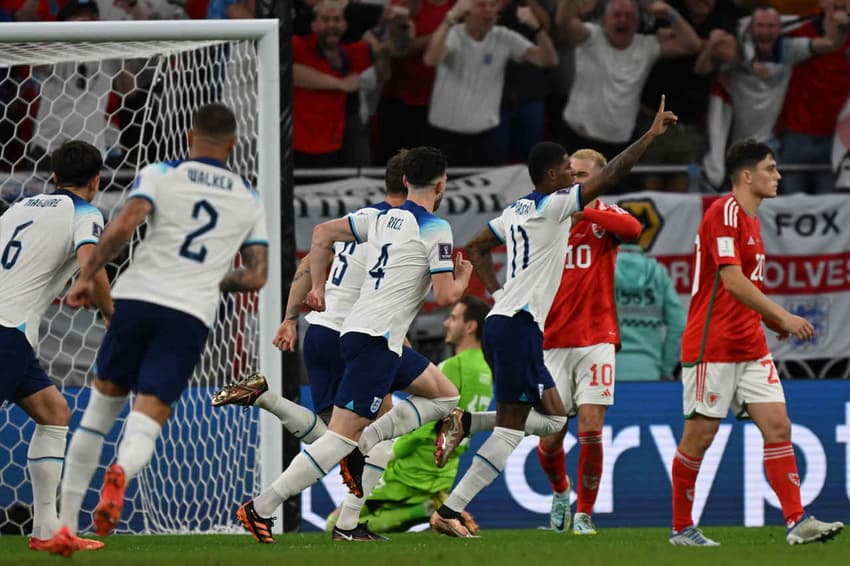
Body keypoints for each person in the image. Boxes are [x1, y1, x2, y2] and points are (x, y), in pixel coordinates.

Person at [429, 96, 678, 538]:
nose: (573, 176)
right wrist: (651, 136)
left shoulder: (520, 208)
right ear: (552, 176)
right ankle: (450, 511)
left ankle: (468, 422)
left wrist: (500, 293)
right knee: (511, 433)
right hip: (525, 328)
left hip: (518, 324)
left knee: (553, 421)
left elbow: (476, 245)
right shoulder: (554, 204)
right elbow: (616, 170)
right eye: (567, 169)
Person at [53, 103, 269, 553]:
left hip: (135, 298)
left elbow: (124, 225)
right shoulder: (249, 197)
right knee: (146, 419)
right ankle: (123, 473)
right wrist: (215, 278)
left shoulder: (161, 171)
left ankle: (66, 529)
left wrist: (88, 275)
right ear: (232, 144)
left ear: (191, 136)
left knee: (97, 415)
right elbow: (256, 276)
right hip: (188, 312)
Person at [235, 146, 472, 544]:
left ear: (404, 182)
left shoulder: (377, 217)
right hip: (374, 342)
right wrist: (462, 276)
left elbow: (321, 234)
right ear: (442, 184)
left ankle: (371, 440)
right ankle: (261, 508)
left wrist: (317, 289)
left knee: (446, 397)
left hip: (367, 337)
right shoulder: (436, 228)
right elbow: (447, 296)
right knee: (338, 439)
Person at [212, 150, 411, 542]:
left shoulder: (356, 222)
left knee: (339, 436)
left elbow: (307, 265)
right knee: (364, 441)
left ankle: (266, 400)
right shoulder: (401, 229)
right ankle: (338, 523)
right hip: (354, 336)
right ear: (414, 183)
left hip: (319, 333)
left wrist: (289, 318)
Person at [669, 139, 844, 546]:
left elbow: (744, 285)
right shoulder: (723, 213)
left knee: (778, 427)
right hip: (712, 347)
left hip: (750, 346)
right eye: (770, 168)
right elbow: (731, 281)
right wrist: (783, 316)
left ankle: (797, 521)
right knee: (700, 438)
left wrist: (769, 320)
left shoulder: (750, 219)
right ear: (747, 176)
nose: (778, 175)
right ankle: (680, 528)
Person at [0, 140, 111, 554]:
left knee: (54, 413)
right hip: (7, 329)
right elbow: (92, 262)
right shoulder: (85, 212)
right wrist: (110, 316)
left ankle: (47, 531)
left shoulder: (19, 207)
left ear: (53, 176)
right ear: (97, 180)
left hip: (10, 329)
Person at [537, 149, 642, 536]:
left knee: (592, 427)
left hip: (597, 336)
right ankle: (561, 492)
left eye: (582, 175)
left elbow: (634, 231)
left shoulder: (606, 217)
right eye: (570, 173)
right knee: (551, 438)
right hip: (551, 340)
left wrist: (587, 211)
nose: (574, 180)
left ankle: (585, 514)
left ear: (598, 179)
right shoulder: (550, 213)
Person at [325, 296, 493, 534]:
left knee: (335, 522)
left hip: (410, 470)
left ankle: (423, 510)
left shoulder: (453, 367)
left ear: (470, 327)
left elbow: (421, 427)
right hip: (444, 472)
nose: (446, 323)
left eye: (453, 318)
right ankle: (433, 507)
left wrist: (390, 454)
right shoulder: (487, 370)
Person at [556, 0, 700, 160]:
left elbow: (692, 45)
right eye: (617, 15)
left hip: (619, 145)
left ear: (637, 23)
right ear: (605, 20)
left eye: (629, 16)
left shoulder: (646, 46)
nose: (623, 20)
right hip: (577, 138)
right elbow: (563, 22)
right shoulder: (591, 36)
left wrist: (669, 13)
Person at [423, 0, 558, 165]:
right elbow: (431, 59)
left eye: (493, 6)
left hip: (487, 135)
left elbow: (548, 60)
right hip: (446, 134)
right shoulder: (453, 34)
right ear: (466, 11)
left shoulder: (503, 36)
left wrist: (537, 29)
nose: (488, 10)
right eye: (481, 5)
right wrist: (449, 18)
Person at [614, 242, 685, 381]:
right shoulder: (658, 272)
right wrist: (666, 368)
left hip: (607, 373)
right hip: (650, 371)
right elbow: (679, 324)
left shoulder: (602, 269)